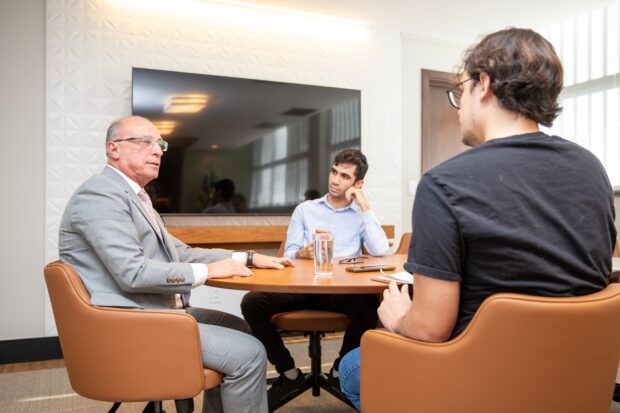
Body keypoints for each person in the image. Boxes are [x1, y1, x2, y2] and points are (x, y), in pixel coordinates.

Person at [338, 27, 617, 411]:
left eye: (461, 92)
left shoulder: (444, 183)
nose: (459, 108)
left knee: (352, 367)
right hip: (573, 378)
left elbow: (430, 329)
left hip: (475, 381)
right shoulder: (592, 170)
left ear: (482, 84)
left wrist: (399, 318)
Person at [59, 116, 294, 413]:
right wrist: (208, 271)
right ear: (113, 149)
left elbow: (179, 253)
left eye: (160, 144)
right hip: (127, 322)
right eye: (145, 142)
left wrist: (247, 257)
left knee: (240, 327)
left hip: (151, 311)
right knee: (251, 353)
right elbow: (133, 272)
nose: (157, 150)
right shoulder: (100, 194)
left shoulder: (136, 197)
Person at [240, 148, 389, 410]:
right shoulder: (305, 210)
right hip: (304, 287)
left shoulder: (360, 215)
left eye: (344, 176)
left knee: (369, 305)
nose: (335, 180)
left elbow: (380, 251)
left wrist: (365, 206)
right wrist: (301, 253)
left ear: (358, 184)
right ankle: (288, 372)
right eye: (334, 171)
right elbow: (288, 254)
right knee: (252, 302)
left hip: (340, 292)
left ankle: (339, 371)